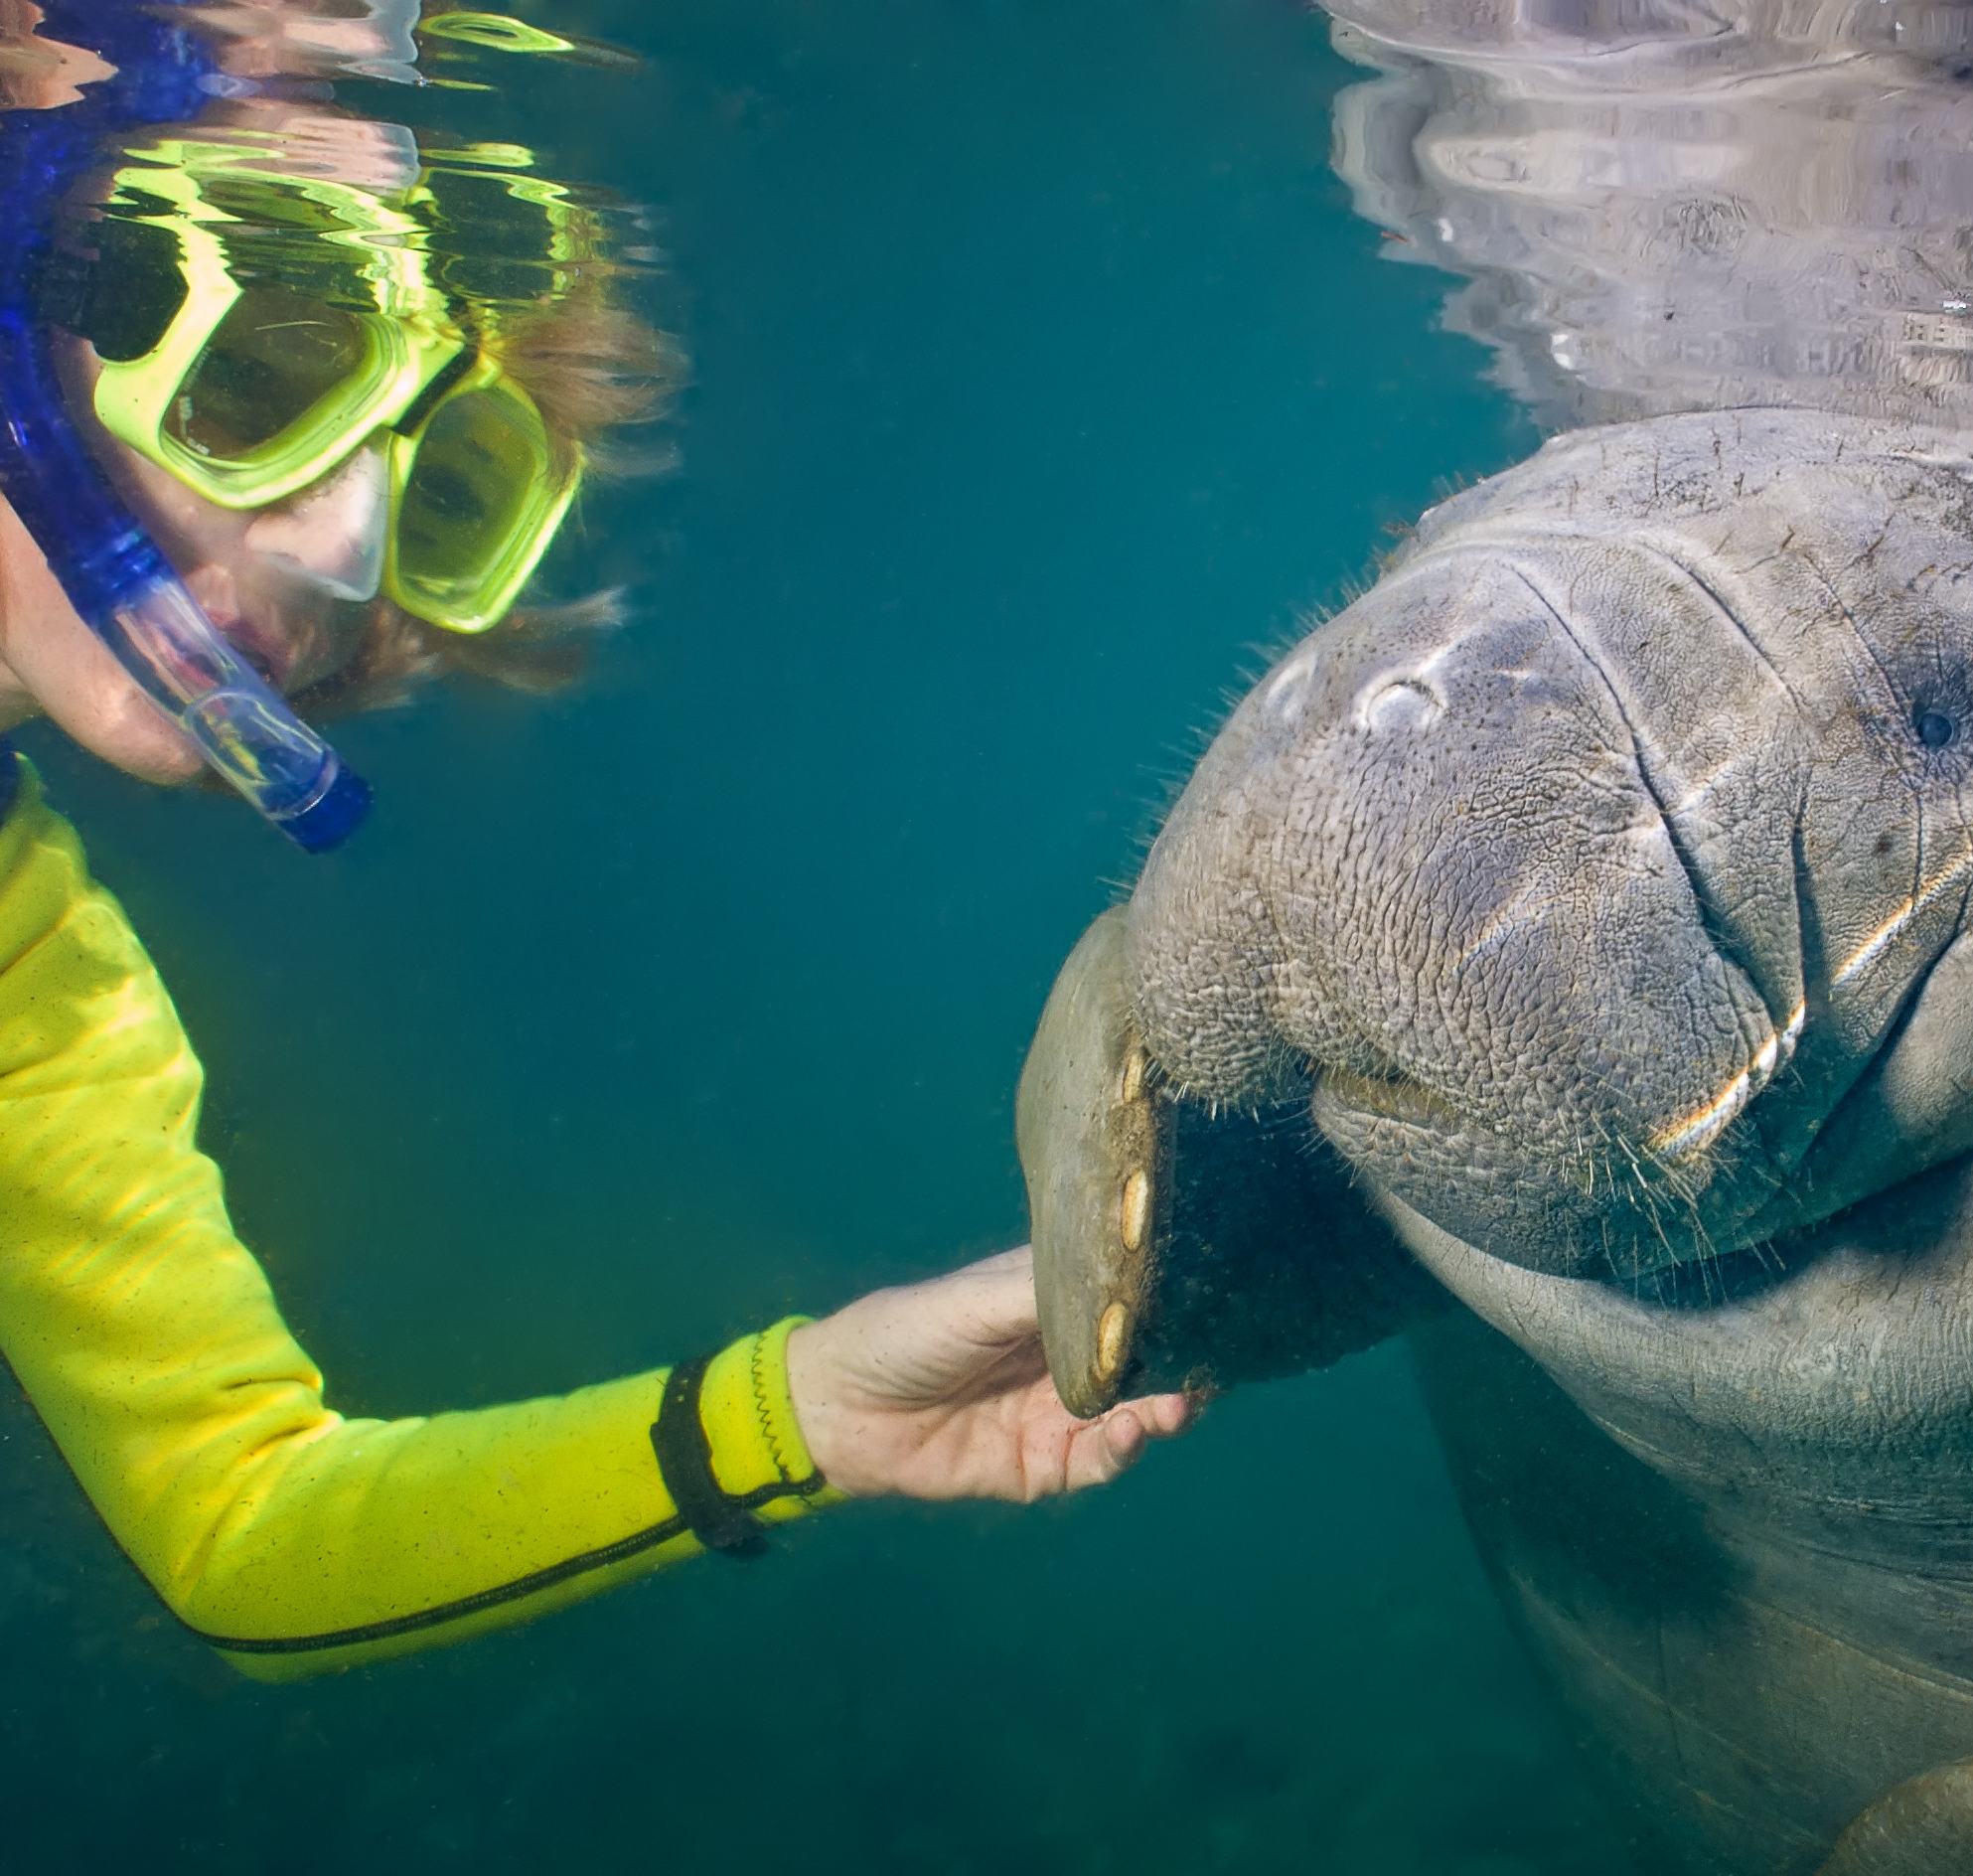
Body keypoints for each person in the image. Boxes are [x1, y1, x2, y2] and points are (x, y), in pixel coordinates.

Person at [0, 0, 1191, 1680]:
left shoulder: (28, 981)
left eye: (444, 488)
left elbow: (240, 1527)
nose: (347, 552)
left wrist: (803, 1413)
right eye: (270, 366)